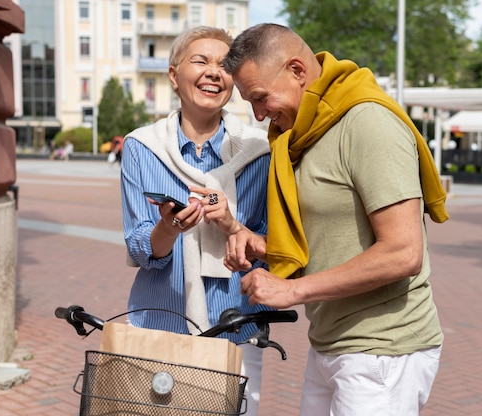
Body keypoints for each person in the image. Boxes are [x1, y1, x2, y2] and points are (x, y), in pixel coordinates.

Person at [221, 23, 449, 415]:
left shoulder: (366, 123)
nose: (259, 115)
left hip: (382, 349)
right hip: (331, 341)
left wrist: (292, 291)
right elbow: (329, 236)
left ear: (297, 71)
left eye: (260, 98)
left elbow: (403, 252)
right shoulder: (303, 132)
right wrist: (264, 246)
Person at [120, 26, 272, 415]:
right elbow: (140, 247)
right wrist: (167, 229)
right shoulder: (142, 147)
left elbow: (272, 246)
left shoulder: (260, 152)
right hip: (159, 323)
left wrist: (233, 225)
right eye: (200, 61)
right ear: (174, 75)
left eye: (224, 65)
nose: (213, 72)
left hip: (235, 327)